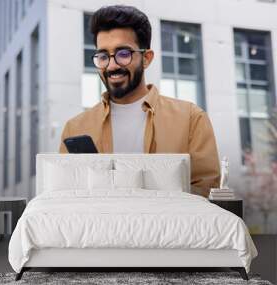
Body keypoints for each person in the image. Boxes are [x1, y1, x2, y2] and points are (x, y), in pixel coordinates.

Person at [59, 5, 220, 197]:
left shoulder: (191, 119)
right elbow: (65, 197)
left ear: (146, 58)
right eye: (103, 56)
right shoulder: (75, 128)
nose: (111, 66)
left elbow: (206, 193)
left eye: (123, 54)